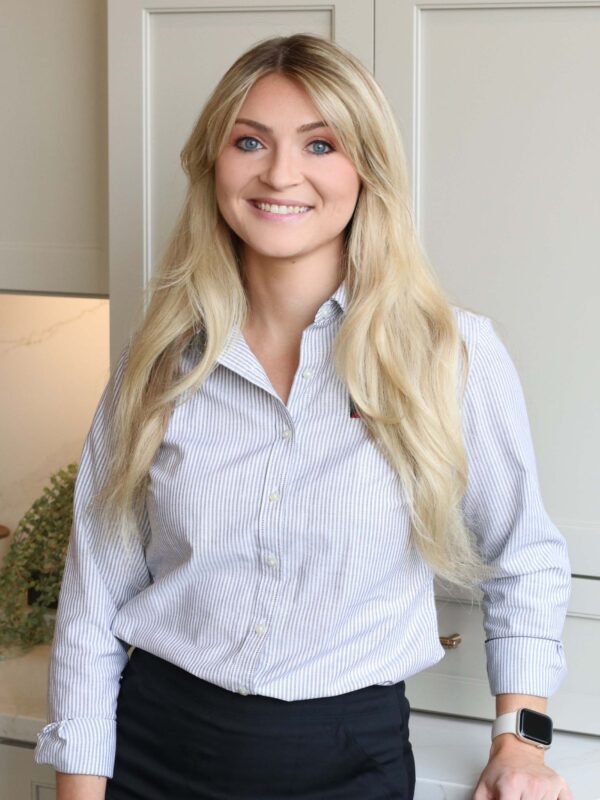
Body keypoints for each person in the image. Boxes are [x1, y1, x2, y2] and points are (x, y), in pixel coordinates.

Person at [34, 33, 572, 800]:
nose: (280, 173)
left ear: (367, 170)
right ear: (212, 165)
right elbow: (93, 600)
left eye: (321, 144)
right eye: (249, 141)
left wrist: (522, 742)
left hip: (347, 762)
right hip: (150, 750)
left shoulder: (448, 353)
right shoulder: (156, 362)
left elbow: (525, 556)